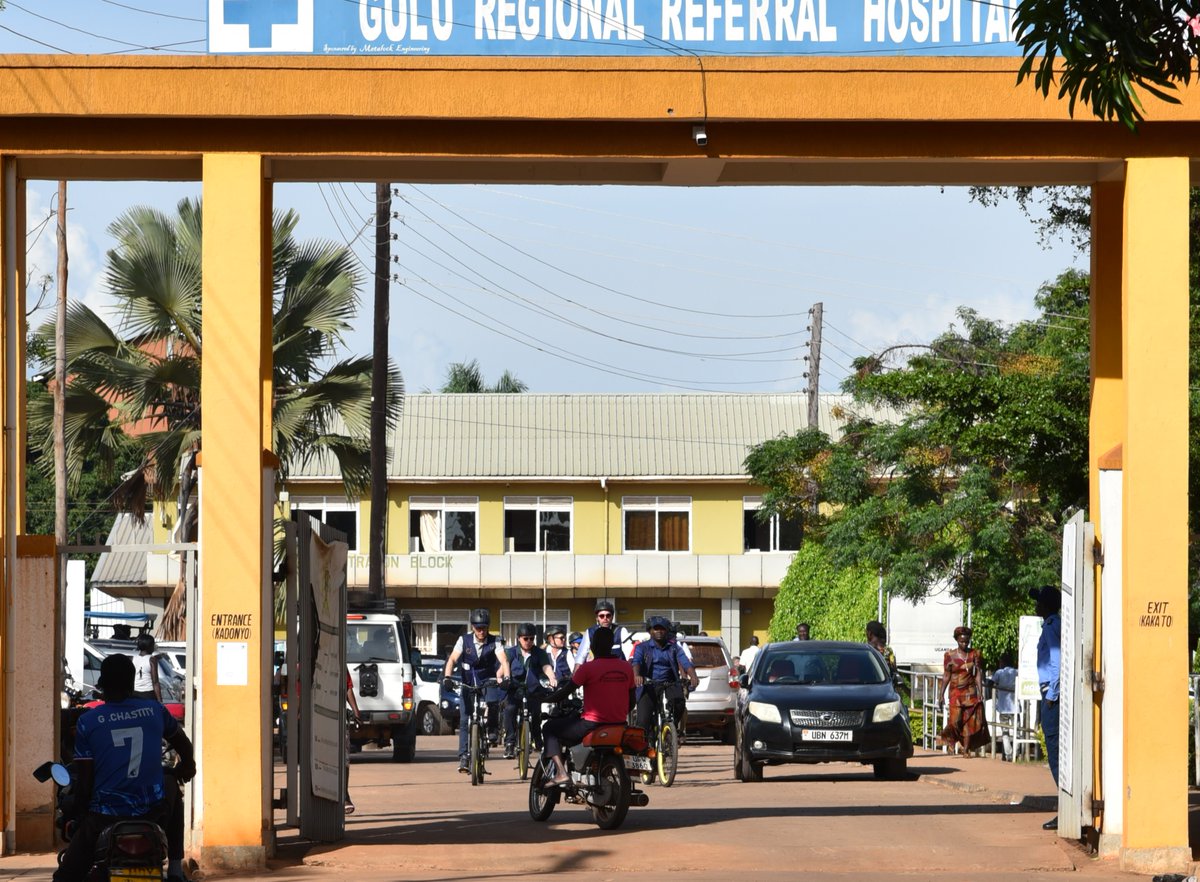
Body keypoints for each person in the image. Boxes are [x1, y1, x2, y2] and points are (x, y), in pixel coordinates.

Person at [54, 653, 196, 882]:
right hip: (152, 814)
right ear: (132, 683)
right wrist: (187, 767)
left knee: (65, 877)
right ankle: (176, 869)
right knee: (170, 781)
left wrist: (79, 812)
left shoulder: (87, 722)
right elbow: (182, 743)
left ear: (102, 685)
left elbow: (86, 780)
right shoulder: (155, 710)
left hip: (104, 818)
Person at [541, 627, 635, 787]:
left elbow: (566, 691)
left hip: (591, 724)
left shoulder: (588, 668)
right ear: (612, 644)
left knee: (550, 728)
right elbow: (632, 700)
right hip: (619, 724)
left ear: (592, 647)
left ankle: (562, 773)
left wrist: (546, 699)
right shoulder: (626, 667)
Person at [443, 608, 511, 773]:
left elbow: (504, 660)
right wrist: (447, 677)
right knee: (465, 719)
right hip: (468, 681)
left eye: (484, 628)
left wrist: (507, 677)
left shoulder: (495, 641)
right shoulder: (463, 640)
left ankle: (493, 730)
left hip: (488, 680)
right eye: (478, 628)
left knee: (493, 703)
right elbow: (452, 659)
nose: (481, 631)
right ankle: (464, 757)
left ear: (488, 627)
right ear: (472, 627)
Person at [631, 616, 698, 735]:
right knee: (643, 721)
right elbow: (636, 662)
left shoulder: (674, 648)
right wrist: (637, 675)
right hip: (648, 684)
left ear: (666, 631)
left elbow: (686, 663)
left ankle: (671, 729)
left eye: (662, 629)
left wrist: (693, 676)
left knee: (679, 703)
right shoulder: (642, 647)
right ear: (650, 631)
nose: (659, 631)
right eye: (655, 629)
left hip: (669, 683)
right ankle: (643, 747)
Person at [1031, 585, 1062, 830]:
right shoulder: (1054, 624)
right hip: (1051, 694)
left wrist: (1052, 695)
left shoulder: (1052, 626)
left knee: (1054, 751)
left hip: (1052, 695)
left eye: (1039, 601)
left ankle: (1065, 808)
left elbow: (1057, 661)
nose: (1036, 605)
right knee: (1055, 750)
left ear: (1047, 605)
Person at [502, 622, 557, 759]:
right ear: (519, 638)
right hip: (515, 690)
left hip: (533, 690)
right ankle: (509, 743)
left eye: (531, 638)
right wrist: (501, 679)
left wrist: (552, 678)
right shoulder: (511, 652)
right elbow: (503, 668)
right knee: (509, 710)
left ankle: (537, 739)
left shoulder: (539, 653)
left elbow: (546, 667)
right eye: (525, 638)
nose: (529, 641)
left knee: (537, 713)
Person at [937, 625, 989, 756]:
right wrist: (941, 694)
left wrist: (980, 691)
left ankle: (966, 749)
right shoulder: (949, 656)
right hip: (955, 693)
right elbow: (946, 675)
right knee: (956, 720)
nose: (964, 644)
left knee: (969, 721)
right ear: (956, 640)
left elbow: (977, 673)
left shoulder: (974, 654)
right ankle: (951, 741)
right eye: (961, 641)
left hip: (970, 691)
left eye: (967, 641)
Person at [574, 599, 634, 665]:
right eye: (601, 616)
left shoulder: (621, 631)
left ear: (612, 617)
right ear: (597, 618)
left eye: (608, 615)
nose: (605, 618)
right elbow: (580, 657)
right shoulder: (590, 632)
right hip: (598, 669)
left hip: (617, 670)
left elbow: (630, 656)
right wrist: (575, 674)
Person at [990, 652, 1018, 761]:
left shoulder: (999, 673)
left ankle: (1009, 754)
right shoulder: (1016, 672)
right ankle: (1016, 752)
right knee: (1018, 731)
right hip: (1016, 707)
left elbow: (991, 683)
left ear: (1002, 662)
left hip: (1003, 707)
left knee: (1005, 732)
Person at [344, 668, 361, 814]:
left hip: (338, 717)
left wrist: (356, 712)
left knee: (344, 759)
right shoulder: (302, 664)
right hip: (315, 717)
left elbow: (347, 687)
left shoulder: (338, 660)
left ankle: (344, 795)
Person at [133, 631, 162, 701]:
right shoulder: (152, 660)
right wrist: (160, 701)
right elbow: (155, 682)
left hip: (135, 693)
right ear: (149, 646)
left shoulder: (133, 658)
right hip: (148, 693)